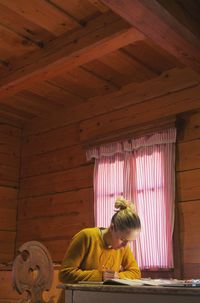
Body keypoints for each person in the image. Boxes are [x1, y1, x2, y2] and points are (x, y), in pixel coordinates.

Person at [59, 197, 141, 283]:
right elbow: (65, 274)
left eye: (130, 241)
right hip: (76, 295)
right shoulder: (86, 237)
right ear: (112, 228)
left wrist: (117, 276)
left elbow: (135, 273)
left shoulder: (123, 247)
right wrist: (101, 276)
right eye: (122, 239)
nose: (125, 245)